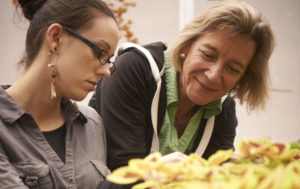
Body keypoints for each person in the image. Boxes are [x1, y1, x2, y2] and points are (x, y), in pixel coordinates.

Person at [89, 0, 274, 171]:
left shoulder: (223, 110)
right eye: (208, 55)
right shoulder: (135, 68)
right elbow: (123, 171)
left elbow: (216, 177)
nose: (213, 76)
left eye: (233, 69)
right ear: (187, 45)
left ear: (244, 78)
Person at [0, 0, 120, 188]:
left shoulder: (92, 124)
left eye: (109, 60)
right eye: (101, 53)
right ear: (56, 38)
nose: (106, 71)